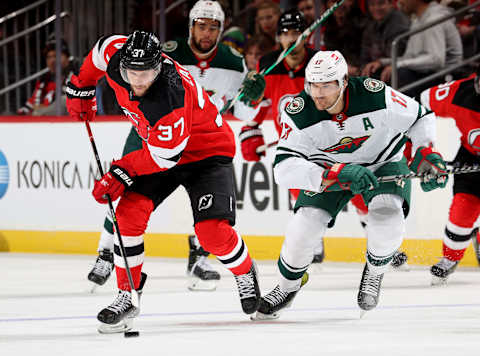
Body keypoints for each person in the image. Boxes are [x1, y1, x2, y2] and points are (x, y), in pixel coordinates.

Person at [66, 30, 262, 333]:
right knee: (127, 215)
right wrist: (83, 85)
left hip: (206, 152)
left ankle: (245, 270)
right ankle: (127, 295)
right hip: (160, 148)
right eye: (133, 72)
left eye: (148, 73)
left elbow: (163, 158)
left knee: (211, 234)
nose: (140, 81)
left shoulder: (171, 95)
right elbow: (99, 51)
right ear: (123, 65)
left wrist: (120, 169)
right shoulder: (116, 52)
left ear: (160, 66)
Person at [252, 50, 449, 320]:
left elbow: (420, 117)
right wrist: (338, 171)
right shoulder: (297, 111)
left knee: (387, 216)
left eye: (327, 85)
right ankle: (287, 288)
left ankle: (375, 272)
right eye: (313, 85)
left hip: (383, 162)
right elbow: (283, 170)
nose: (318, 93)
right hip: (331, 170)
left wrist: (426, 151)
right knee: (303, 228)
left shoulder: (374, 93)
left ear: (344, 81)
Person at [238, 10, 326, 263]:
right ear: (278, 38)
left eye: (297, 33)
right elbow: (259, 104)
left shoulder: (320, 62)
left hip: (329, 139)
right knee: (300, 191)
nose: (292, 38)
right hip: (294, 146)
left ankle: (382, 244)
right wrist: (250, 130)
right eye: (286, 33)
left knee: (358, 190)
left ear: (306, 36)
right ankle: (313, 241)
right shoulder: (268, 64)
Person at [420, 69, 480, 284]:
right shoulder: (457, 93)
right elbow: (421, 104)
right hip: (471, 159)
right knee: (460, 218)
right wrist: (424, 150)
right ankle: (450, 258)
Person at [369, 0, 463, 97]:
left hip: (446, 77)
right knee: (375, 72)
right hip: (428, 74)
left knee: (402, 73)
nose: (400, 2)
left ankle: (406, 111)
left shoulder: (434, 18)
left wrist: (398, 65)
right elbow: (410, 58)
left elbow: (436, 60)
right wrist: (382, 62)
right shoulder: (418, 20)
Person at [17, 38, 76, 116]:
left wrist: (40, 110)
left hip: (63, 124)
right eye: (48, 57)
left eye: (55, 56)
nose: (52, 60)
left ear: (67, 58)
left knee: (65, 101)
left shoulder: (75, 77)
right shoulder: (43, 81)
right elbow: (30, 105)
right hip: (39, 123)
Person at [360, 0, 410, 79]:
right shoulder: (371, 25)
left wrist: (377, 63)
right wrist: (363, 69)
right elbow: (365, 56)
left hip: (397, 68)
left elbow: (396, 55)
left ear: (391, 4)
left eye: (381, 3)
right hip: (378, 68)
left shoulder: (399, 22)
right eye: (372, 4)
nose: (376, 8)